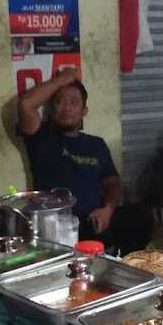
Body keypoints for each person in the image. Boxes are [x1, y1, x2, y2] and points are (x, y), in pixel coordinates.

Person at [18, 69, 150, 252]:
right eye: (60, 102)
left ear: (84, 111)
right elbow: (26, 104)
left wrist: (108, 209)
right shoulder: (41, 138)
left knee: (141, 217)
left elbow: (112, 181)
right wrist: (62, 80)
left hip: (95, 222)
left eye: (73, 102)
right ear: (50, 109)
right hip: (56, 226)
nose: (67, 107)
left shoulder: (96, 144)